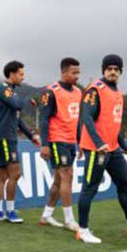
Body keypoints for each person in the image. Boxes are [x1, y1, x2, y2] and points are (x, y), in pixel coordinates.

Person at [76, 54, 127, 244]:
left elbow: (113, 124)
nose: (113, 71)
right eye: (109, 68)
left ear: (120, 72)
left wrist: (124, 145)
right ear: (104, 70)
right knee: (89, 189)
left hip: (113, 150)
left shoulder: (118, 93)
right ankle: (82, 230)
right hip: (96, 149)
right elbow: (86, 118)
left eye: (116, 69)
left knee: (125, 184)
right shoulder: (95, 90)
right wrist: (98, 143)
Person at [0, 60, 41, 223]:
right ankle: (10, 212)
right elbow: (17, 105)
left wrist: (31, 136)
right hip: (5, 137)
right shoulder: (4, 89)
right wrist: (28, 100)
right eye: (20, 74)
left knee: (3, 175)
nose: (23, 77)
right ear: (11, 74)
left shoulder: (13, 92)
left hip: (6, 136)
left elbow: (17, 119)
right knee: (16, 173)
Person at [38, 57, 82, 231]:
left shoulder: (78, 92)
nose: (77, 76)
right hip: (57, 140)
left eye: (78, 72)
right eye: (74, 72)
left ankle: (46, 215)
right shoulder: (51, 91)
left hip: (71, 141)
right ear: (63, 72)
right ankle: (69, 220)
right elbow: (43, 119)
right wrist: (45, 144)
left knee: (58, 180)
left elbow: (78, 121)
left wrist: (80, 142)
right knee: (67, 176)